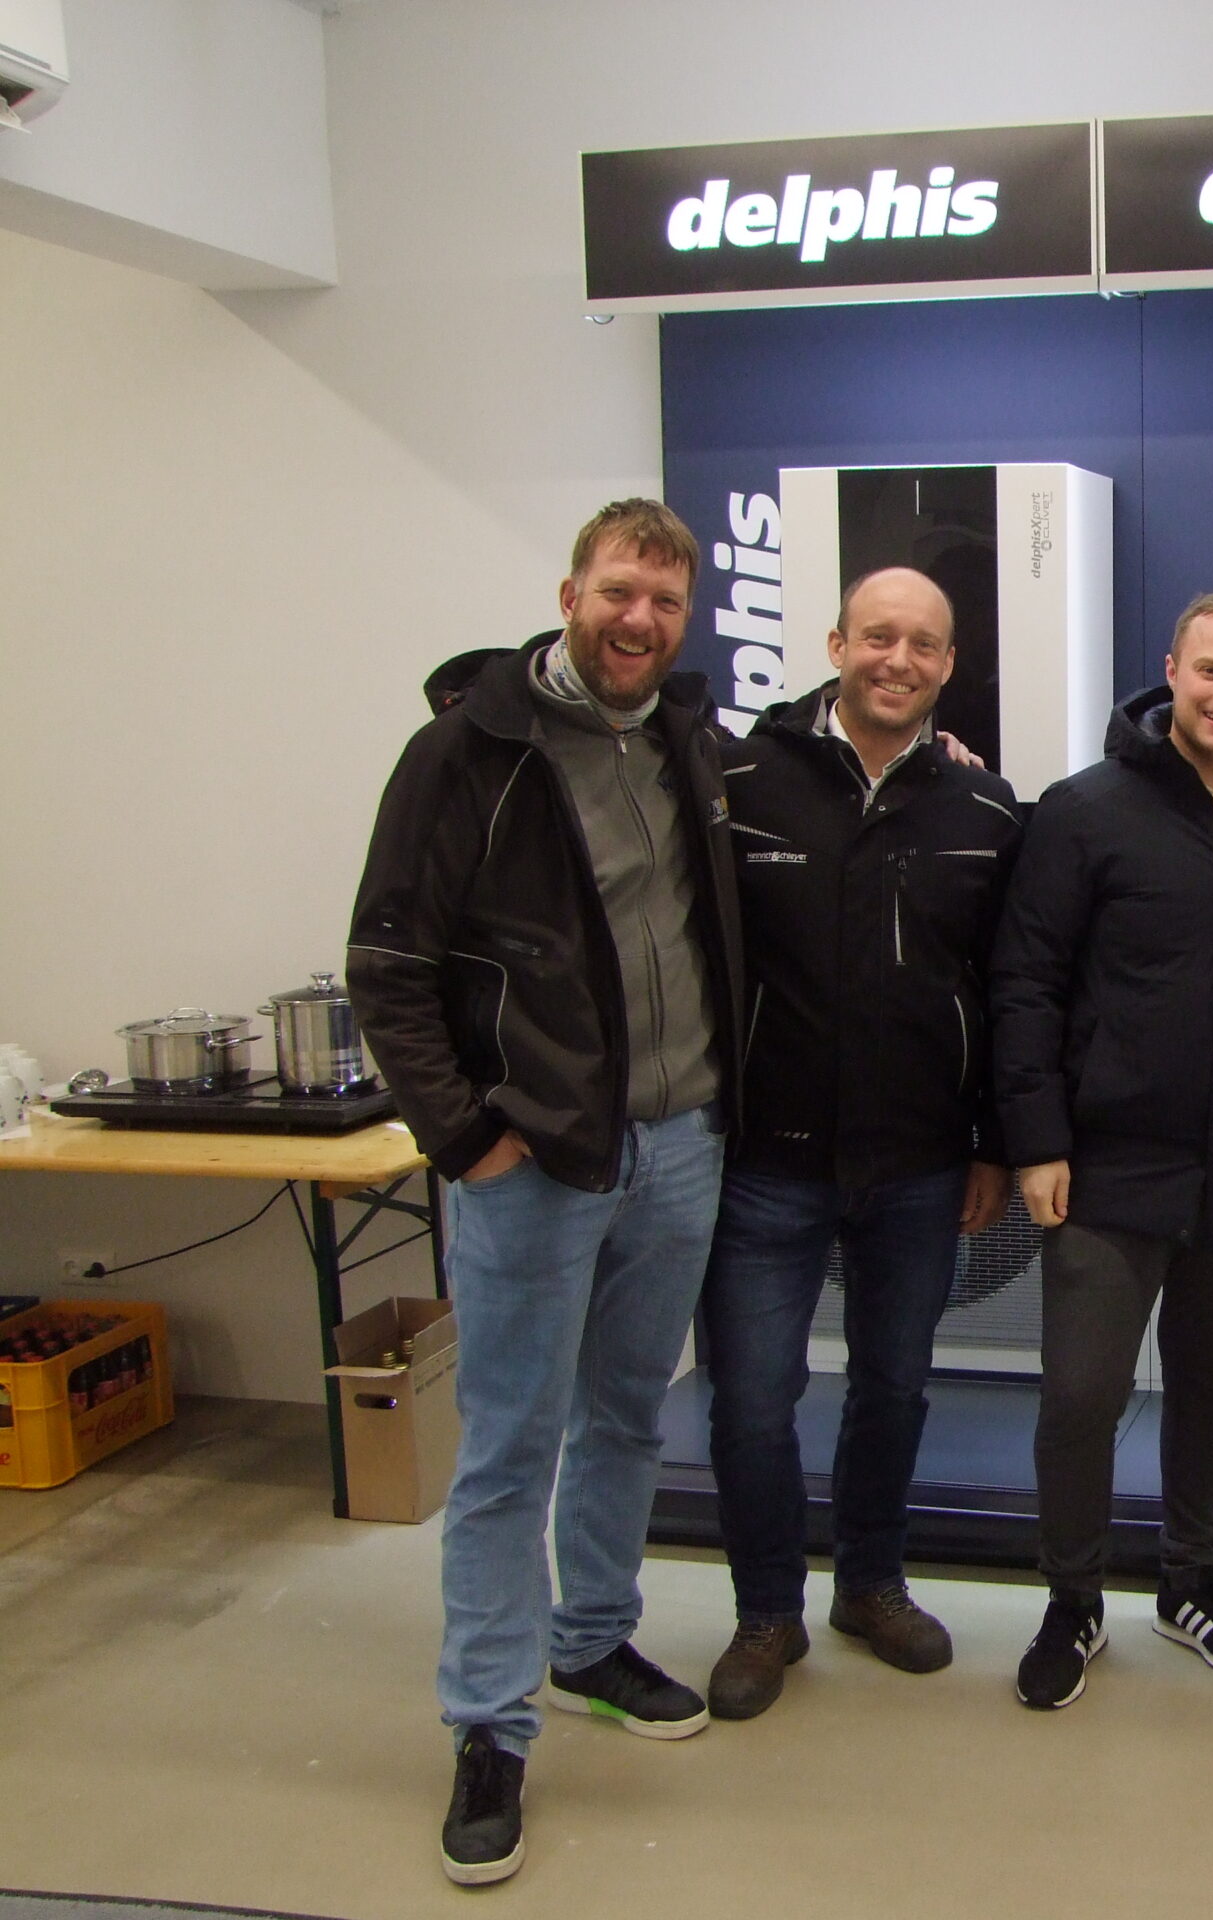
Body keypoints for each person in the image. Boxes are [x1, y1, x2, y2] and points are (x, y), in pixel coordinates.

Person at [347, 500, 744, 1885]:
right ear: (571, 592)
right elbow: (387, 966)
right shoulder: (468, 752)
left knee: (629, 1413)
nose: (641, 621)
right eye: (620, 592)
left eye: (666, 603)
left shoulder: (685, 738)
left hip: (679, 1143)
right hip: (534, 1163)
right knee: (512, 1446)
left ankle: (590, 1644)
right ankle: (488, 1725)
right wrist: (467, 1140)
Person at [989, 589, 1213, 1710]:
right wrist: (1037, 1140)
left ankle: (1191, 1582)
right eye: (1211, 671)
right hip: (1104, 1165)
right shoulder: (1085, 811)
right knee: (1081, 1396)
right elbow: (1026, 983)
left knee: (1206, 1387)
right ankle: (1072, 1600)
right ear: (1171, 671)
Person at [694, 566, 1021, 1720]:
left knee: (894, 1387)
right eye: (879, 636)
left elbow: (1006, 991)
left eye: (924, 644)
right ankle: (765, 1611)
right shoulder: (738, 784)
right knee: (751, 1399)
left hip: (921, 1164)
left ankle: (871, 1585)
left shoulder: (986, 810)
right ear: (835, 643)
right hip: (766, 1163)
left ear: (948, 664)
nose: (899, 660)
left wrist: (991, 1142)